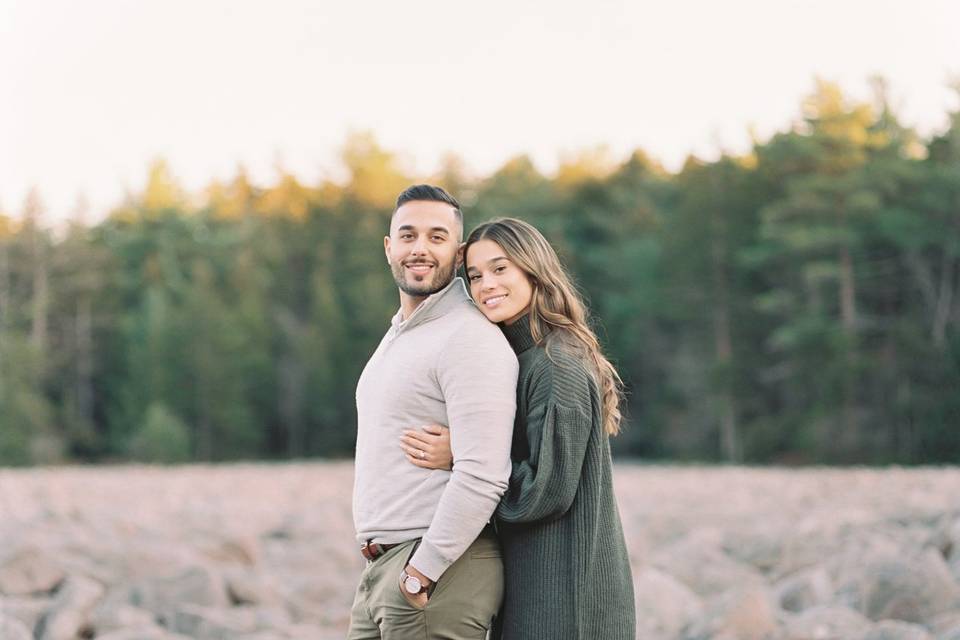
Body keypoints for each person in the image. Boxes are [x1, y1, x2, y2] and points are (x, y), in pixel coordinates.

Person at [400, 217, 636, 639]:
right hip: (538, 584)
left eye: (500, 268)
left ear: (534, 269)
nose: (486, 284)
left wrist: (461, 459)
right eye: (474, 276)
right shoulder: (522, 357)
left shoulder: (555, 365)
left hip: (567, 598)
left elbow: (545, 492)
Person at [348, 186, 518, 639]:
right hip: (385, 567)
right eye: (407, 235)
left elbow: (484, 473)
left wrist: (423, 569)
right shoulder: (403, 332)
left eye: (437, 237)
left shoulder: (468, 337)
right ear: (389, 248)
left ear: (458, 253)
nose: (420, 248)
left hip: (436, 574)